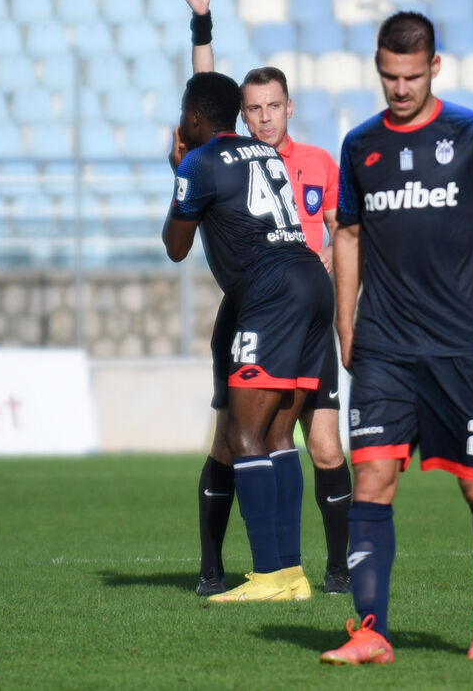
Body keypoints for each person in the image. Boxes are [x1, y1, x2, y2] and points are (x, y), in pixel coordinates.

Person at [319, 12, 473, 665]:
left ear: (434, 68)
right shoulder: (360, 146)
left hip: (462, 350)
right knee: (373, 479)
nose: (400, 88)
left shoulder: (472, 134)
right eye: (389, 76)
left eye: (411, 77)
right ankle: (371, 630)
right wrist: (346, 320)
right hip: (384, 347)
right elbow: (348, 234)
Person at [179, 0, 353, 597]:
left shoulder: (318, 163)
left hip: (299, 307)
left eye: (271, 106)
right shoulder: (235, 156)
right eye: (252, 109)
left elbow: (345, 232)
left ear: (288, 108)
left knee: (323, 443)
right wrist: (202, 26)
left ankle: (327, 568)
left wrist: (334, 257)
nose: (261, 117)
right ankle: (215, 566)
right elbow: (208, 96)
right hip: (252, 307)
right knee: (234, 438)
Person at [164, 71, 335, 603]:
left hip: (270, 294)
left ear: (194, 119)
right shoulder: (264, 153)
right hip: (312, 281)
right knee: (281, 436)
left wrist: (178, 172)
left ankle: (268, 576)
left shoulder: (199, 160)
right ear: (235, 114)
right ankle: (293, 575)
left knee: (242, 435)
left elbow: (175, 246)